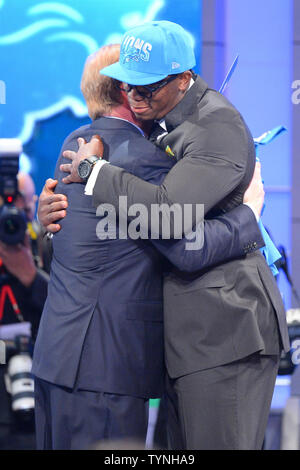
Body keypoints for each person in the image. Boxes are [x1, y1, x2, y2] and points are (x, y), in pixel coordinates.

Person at [43, 21, 290, 450]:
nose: (136, 98)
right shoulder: (150, 135)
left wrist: (251, 219)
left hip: (225, 335)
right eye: (129, 86)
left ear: (182, 79)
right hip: (182, 348)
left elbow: (172, 224)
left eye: (147, 88)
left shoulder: (214, 127)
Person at [0, 172, 49, 450]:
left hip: (37, 387)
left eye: (23, 202)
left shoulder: (49, 243)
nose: (15, 212)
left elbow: (69, 309)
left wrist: (31, 275)